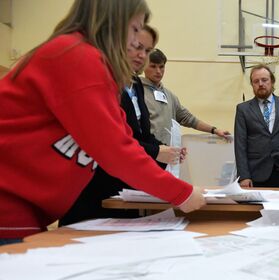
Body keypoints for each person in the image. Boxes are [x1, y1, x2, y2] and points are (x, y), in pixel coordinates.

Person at [0, 0, 205, 244]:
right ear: (114, 22)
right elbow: (116, 150)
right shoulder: (76, 55)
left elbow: (123, 136)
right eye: (134, 29)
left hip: (24, 205)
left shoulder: (90, 62)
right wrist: (181, 193)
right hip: (9, 201)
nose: (135, 41)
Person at [59, 25, 185, 225]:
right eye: (136, 47)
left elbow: (139, 133)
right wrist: (155, 152)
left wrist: (165, 150)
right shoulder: (100, 79)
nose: (141, 55)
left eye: (147, 50)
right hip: (95, 185)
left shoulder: (135, 83)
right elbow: (111, 140)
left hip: (125, 186)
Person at [141, 48, 231, 146]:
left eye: (161, 67)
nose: (158, 71)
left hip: (167, 154)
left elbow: (188, 119)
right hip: (146, 152)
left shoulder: (169, 96)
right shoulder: (138, 93)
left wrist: (214, 130)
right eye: (153, 66)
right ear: (144, 67)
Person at [234, 64, 279, 188]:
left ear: (272, 81)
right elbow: (240, 145)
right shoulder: (243, 109)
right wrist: (244, 176)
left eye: (264, 80)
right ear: (252, 85)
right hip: (255, 173)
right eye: (256, 81)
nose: (260, 84)